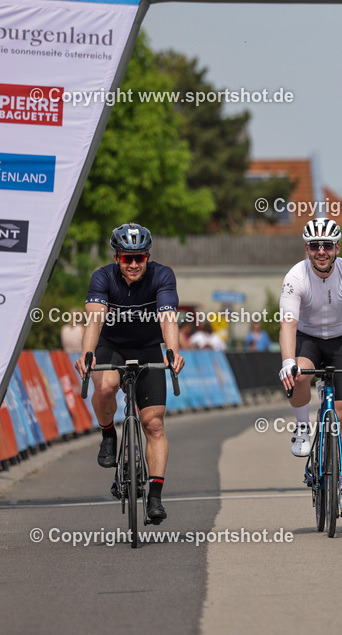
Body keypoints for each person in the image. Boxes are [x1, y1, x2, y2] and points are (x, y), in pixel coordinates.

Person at [74, 223, 185, 523]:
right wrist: (87, 354)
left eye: (139, 258)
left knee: (154, 425)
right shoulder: (102, 277)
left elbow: (168, 317)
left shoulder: (162, 275)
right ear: (116, 258)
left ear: (147, 257)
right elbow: (95, 320)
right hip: (111, 346)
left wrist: (172, 352)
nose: (134, 264)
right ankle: (108, 433)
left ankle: (155, 497)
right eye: (127, 258)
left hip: (148, 347)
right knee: (106, 386)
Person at [278, 218, 342, 517]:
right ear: (307, 249)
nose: (321, 251)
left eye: (327, 246)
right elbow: (288, 323)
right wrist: (288, 361)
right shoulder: (296, 276)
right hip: (308, 339)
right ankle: (302, 427)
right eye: (315, 246)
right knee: (299, 375)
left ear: (337, 248)